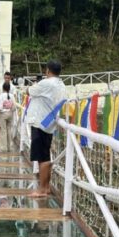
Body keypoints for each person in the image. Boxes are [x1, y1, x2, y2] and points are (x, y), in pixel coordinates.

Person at [25, 60, 67, 198]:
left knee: (41, 158)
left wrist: (35, 84)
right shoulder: (61, 85)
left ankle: (42, 189)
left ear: (48, 71)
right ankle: (46, 187)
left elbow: (29, 91)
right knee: (46, 156)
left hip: (40, 123)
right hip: (49, 123)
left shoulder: (46, 83)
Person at [0, 81, 16, 152]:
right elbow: (14, 107)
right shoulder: (12, 95)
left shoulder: (1, 95)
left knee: (3, 131)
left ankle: (3, 148)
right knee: (9, 130)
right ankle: (10, 147)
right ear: (9, 88)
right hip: (10, 113)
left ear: (3, 88)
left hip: (3, 114)